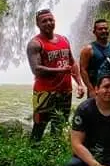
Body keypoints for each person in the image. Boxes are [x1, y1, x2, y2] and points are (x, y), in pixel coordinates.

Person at [26, 8, 84, 141]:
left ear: (54, 21)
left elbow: (72, 63)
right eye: (44, 21)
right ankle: (33, 153)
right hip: (44, 92)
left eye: (50, 20)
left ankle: (53, 154)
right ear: (38, 25)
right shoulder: (35, 44)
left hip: (65, 91)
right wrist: (61, 71)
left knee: (59, 124)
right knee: (40, 125)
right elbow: (36, 69)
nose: (48, 23)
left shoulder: (64, 40)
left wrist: (79, 84)